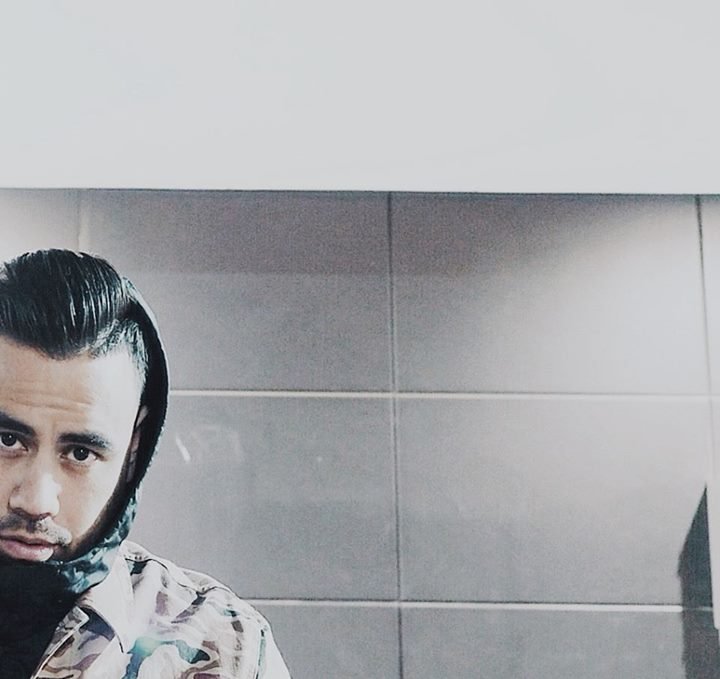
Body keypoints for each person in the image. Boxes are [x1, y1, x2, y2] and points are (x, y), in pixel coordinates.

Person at [0, 249, 290, 678]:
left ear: (133, 449)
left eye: (80, 453)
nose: (36, 501)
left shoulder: (225, 647)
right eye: (7, 440)